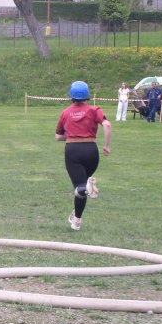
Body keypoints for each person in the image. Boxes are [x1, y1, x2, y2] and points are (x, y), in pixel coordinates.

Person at [55, 81, 111, 231]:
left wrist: (72, 133)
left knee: (80, 187)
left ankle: (85, 192)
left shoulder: (65, 112)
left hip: (73, 150)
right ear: (87, 96)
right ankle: (76, 221)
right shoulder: (94, 110)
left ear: (71, 96)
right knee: (81, 188)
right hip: (92, 151)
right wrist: (106, 146)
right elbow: (107, 125)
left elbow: (58, 136)